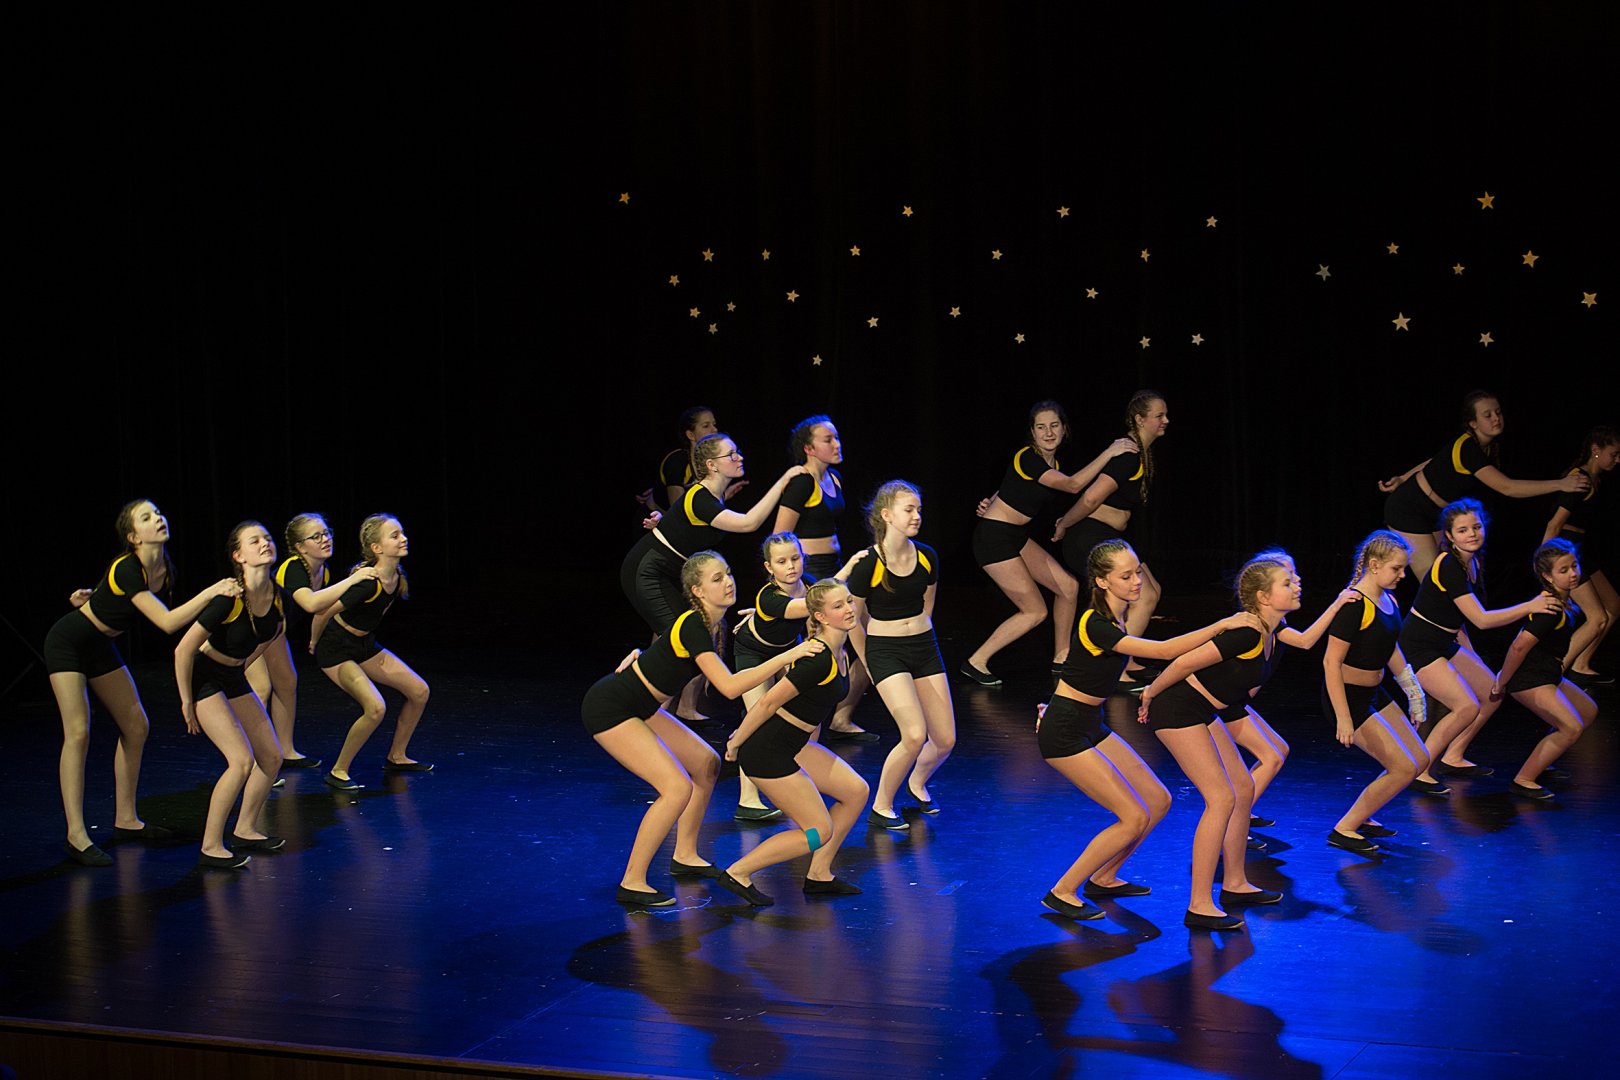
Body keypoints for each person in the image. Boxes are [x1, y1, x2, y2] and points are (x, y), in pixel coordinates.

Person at [1037, 539, 1259, 929]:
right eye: (1126, 576)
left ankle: (1105, 876)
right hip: (1065, 730)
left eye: (1137, 572)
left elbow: (1078, 673)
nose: (1137, 581)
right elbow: (1164, 650)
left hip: (1089, 721)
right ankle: (1063, 890)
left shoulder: (1116, 619)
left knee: (1157, 800)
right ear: (1102, 581)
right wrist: (1222, 625)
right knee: (1132, 816)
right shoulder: (1094, 623)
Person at [581, 551, 824, 907]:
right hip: (612, 708)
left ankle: (685, 854)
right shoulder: (696, 624)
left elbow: (664, 648)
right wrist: (787, 656)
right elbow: (729, 687)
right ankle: (633, 881)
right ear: (697, 590)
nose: (728, 582)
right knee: (676, 788)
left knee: (706, 764)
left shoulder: (713, 624)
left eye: (728, 573)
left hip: (641, 706)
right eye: (716, 579)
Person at [1138, 555, 1353, 923]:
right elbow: (1184, 662)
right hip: (1177, 709)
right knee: (1220, 798)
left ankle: (1235, 882)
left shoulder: (1273, 630)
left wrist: (1335, 605)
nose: (1297, 584)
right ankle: (1198, 904)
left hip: (1208, 710)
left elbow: (1303, 644)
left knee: (1241, 789)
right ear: (1263, 597)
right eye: (1287, 582)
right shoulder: (1246, 632)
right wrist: (1149, 694)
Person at [44, 499, 240, 866]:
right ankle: (76, 834)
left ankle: (126, 819)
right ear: (134, 537)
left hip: (100, 646)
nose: (158, 519)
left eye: (158, 513)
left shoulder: (165, 570)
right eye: (147, 518)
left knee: (136, 726)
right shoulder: (127, 566)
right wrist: (212, 591)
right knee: (79, 732)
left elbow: (118, 598)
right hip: (68, 642)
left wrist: (93, 595)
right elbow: (166, 623)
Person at [620, 432, 807, 720]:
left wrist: (665, 519)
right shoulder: (700, 498)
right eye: (731, 454)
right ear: (712, 464)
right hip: (648, 571)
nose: (739, 457)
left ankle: (667, 711)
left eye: (737, 452)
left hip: (671, 572)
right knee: (682, 638)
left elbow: (687, 520)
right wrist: (783, 482)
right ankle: (643, 713)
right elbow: (749, 523)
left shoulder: (711, 497)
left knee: (693, 634)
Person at [962, 400, 1135, 686]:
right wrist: (1110, 452)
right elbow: (1073, 485)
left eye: (1054, 425)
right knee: (1035, 610)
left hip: (1015, 536)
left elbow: (1011, 486)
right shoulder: (1027, 456)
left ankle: (1061, 658)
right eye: (1041, 427)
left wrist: (990, 500)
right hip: (993, 537)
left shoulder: (1051, 463)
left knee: (1068, 587)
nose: (1049, 432)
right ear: (1032, 432)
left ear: (1064, 429)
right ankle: (976, 662)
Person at [719, 579, 871, 904]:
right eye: (838, 606)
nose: (849, 609)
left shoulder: (839, 651)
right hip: (768, 752)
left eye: (848, 601)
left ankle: (819, 875)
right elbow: (767, 702)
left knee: (856, 791)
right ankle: (738, 872)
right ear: (820, 616)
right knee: (818, 831)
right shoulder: (816, 658)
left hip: (795, 745)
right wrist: (736, 742)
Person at [1398, 499, 1562, 793]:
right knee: (1465, 706)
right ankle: (1419, 770)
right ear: (1450, 536)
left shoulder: (1472, 561)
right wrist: (1531, 606)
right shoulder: (1449, 564)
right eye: (1462, 530)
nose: (1472, 534)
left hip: (1444, 640)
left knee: (1491, 692)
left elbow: (1457, 619)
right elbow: (1481, 619)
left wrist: (1470, 656)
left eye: (1476, 527)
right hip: (1419, 645)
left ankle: (1453, 755)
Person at [173, 522, 291, 869]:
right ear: (238, 556)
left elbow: (269, 636)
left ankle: (245, 829)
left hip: (232, 675)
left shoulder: (277, 597)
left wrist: (242, 668)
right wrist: (186, 701)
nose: (265, 543)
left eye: (267, 538)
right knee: (240, 761)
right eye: (255, 541)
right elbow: (183, 650)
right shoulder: (230, 599)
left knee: (271, 756)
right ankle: (210, 845)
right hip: (204, 676)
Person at [1379, 390, 1588, 578]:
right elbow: (1508, 488)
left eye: (1498, 412)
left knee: (1451, 574)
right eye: (1487, 415)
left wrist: (1403, 477)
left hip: (1435, 513)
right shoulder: (1467, 447)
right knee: (1434, 581)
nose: (1496, 418)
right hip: (1409, 509)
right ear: (1473, 423)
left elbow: (1435, 460)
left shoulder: (1485, 447)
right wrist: (1561, 484)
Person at [732, 534, 867, 821]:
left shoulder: (808, 584)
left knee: (805, 711)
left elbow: (821, 602)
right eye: (782, 562)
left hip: (788, 649)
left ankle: (799, 777)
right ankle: (748, 799)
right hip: (755, 653)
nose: (791, 566)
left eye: (795, 558)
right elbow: (817, 605)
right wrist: (847, 571)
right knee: (760, 717)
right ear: (769, 567)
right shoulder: (768, 597)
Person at [846, 481, 956, 830]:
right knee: (913, 734)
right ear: (886, 515)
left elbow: (928, 605)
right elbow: (852, 619)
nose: (916, 516)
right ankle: (881, 806)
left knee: (945, 739)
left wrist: (921, 636)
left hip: (924, 646)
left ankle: (917, 782)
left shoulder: (927, 556)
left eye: (918, 509)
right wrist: (868, 662)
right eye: (909, 510)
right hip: (885, 650)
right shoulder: (868, 564)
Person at [1319, 531, 1431, 856]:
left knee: (1420, 759)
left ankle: (1365, 814)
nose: (1402, 575)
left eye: (1404, 568)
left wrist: (1414, 693)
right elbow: (1330, 662)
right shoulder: (1354, 605)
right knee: (1403, 768)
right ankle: (1345, 828)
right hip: (1349, 698)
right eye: (1397, 568)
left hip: (1374, 692)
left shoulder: (1388, 599)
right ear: (1374, 564)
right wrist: (1343, 718)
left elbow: (1389, 648)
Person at [1053, 391, 1170, 687]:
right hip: (1088, 536)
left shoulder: (1140, 455)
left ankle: (1124, 660)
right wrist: (1064, 523)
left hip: (1107, 536)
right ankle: (1114, 666)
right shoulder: (1127, 456)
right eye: (1159, 416)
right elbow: (1091, 498)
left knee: (1151, 591)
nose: (1166, 420)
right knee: (1143, 595)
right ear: (1139, 419)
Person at [244, 513, 379, 769]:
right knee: (260, 688)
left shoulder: (322, 572)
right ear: (300, 546)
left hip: (275, 631)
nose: (325, 539)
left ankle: (285, 751)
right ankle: (253, 762)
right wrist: (353, 579)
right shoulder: (294, 567)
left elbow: (322, 610)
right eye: (315, 537)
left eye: (326, 533)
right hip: (252, 629)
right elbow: (310, 603)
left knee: (287, 683)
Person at [309, 514, 431, 790]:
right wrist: (314, 642)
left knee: (419, 691)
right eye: (395, 536)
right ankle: (339, 771)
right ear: (377, 548)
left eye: (402, 533)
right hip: (336, 647)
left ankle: (397, 756)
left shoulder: (396, 577)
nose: (403, 539)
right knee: (375, 707)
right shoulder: (368, 583)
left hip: (364, 645)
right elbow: (322, 611)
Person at [773, 415, 874, 741]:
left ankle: (841, 717)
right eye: (828, 439)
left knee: (863, 639)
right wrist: (790, 582)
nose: (836, 444)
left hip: (836, 567)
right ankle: (794, 723)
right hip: (810, 572)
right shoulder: (802, 483)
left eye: (836, 437)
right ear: (808, 448)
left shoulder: (835, 479)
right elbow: (779, 537)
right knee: (819, 647)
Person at [1481, 539, 1599, 799]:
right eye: (1564, 570)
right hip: (1529, 678)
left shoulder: (1561, 602)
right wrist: (1502, 681)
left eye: (1574, 566)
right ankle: (1524, 779)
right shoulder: (1549, 609)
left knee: (1587, 711)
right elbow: (1519, 646)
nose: (1573, 573)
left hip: (1548, 674)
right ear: (1547, 576)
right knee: (1571, 727)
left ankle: (1543, 758)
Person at [1543, 426, 1619, 686]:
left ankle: (1581, 664)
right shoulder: (1580, 479)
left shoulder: (1595, 480)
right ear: (1596, 450)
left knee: (1613, 605)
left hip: (1581, 548)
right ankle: (1553, 672)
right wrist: (1544, 562)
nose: (1617, 460)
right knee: (1597, 617)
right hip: (1565, 548)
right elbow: (1554, 523)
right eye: (1614, 454)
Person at [637, 405, 719, 515]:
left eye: (714, 424)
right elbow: (678, 514)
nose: (714, 430)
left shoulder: (711, 461)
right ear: (690, 435)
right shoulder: (677, 462)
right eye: (706, 426)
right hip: (652, 520)